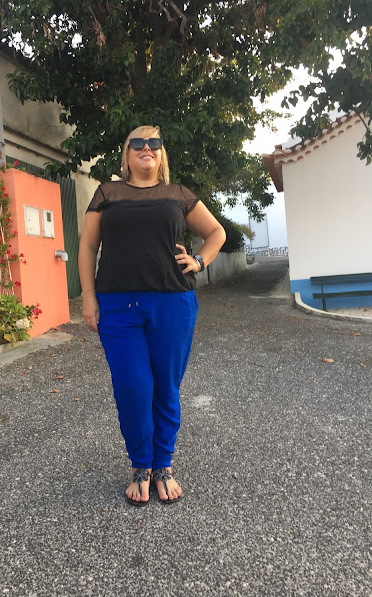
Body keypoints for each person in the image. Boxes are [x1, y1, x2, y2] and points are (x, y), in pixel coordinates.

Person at [78, 125, 226, 506]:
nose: (147, 147)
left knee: (165, 387)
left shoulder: (178, 194)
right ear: (126, 155)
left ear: (162, 155)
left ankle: (162, 464)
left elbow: (216, 233)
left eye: (154, 143)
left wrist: (199, 261)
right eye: (138, 143)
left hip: (173, 304)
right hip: (117, 306)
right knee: (133, 386)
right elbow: (88, 247)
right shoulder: (107, 194)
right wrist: (88, 298)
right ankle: (140, 463)